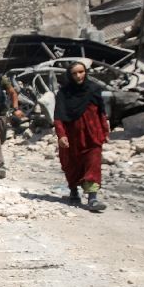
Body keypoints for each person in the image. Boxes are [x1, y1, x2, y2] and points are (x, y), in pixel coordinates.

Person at [54, 61, 110, 212]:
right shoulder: (64, 94)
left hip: (92, 134)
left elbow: (101, 112)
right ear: (69, 75)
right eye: (74, 73)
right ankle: (73, 190)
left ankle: (92, 198)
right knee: (72, 164)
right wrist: (61, 135)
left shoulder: (93, 89)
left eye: (81, 72)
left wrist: (105, 130)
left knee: (93, 163)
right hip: (72, 136)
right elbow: (58, 116)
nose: (79, 76)